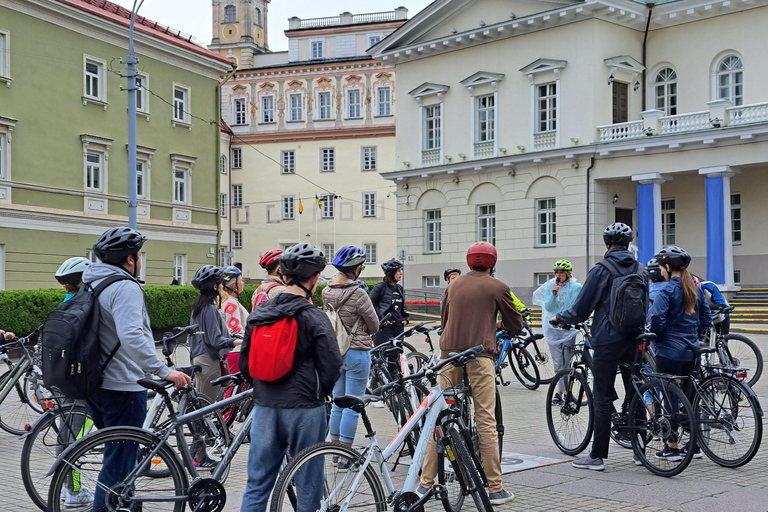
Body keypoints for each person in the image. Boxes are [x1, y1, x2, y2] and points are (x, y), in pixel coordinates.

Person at [82, 227, 191, 511]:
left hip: (95, 382)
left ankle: (126, 506)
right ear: (130, 259)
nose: (140, 258)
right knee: (118, 463)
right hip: (123, 386)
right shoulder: (125, 286)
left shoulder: (92, 283)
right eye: (139, 253)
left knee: (120, 456)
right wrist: (162, 371)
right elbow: (131, 336)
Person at [239, 243, 342, 512]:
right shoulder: (314, 317)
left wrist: (263, 387)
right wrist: (321, 392)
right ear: (315, 278)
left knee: (257, 483)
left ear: (283, 277)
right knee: (308, 483)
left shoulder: (259, 314)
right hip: (305, 408)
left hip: (265, 407)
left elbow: (244, 365)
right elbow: (332, 365)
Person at [418, 242, 521, 505]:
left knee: (438, 418)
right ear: (492, 263)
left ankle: (424, 484)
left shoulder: (453, 285)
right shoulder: (498, 287)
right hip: (479, 356)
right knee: (485, 418)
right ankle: (495, 489)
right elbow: (514, 324)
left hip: (449, 357)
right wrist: (493, 323)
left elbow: (444, 321)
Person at [551, 222, 644, 471]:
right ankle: (640, 450)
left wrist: (560, 318)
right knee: (634, 389)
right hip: (636, 339)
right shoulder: (640, 267)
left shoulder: (601, 269)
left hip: (608, 340)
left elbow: (582, 308)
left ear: (607, 245)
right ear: (628, 244)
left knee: (602, 395)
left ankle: (597, 456)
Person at [648, 246, 711, 460]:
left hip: (669, 352)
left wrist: (656, 336)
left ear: (667, 267)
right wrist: (694, 336)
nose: (660, 271)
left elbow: (657, 320)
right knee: (690, 399)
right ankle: (694, 447)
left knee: (670, 399)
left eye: (661, 267)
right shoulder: (695, 289)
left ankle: (672, 447)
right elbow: (706, 320)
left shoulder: (666, 290)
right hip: (692, 352)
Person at [322, 246, 379, 470]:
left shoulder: (326, 291)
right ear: (355, 269)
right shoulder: (358, 293)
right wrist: (364, 325)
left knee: (337, 403)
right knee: (353, 406)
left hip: (336, 353)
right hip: (357, 352)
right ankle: (346, 456)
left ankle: (334, 451)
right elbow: (374, 324)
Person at [53, 257, 94, 506]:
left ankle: (66, 487)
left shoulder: (62, 307)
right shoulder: (85, 309)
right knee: (76, 439)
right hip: (80, 382)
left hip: (59, 379)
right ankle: (74, 492)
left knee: (65, 435)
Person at [532, 259, 582, 405]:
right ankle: (561, 392)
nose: (558, 275)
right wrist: (554, 294)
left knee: (566, 362)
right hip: (552, 328)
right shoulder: (550, 286)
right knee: (557, 363)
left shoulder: (576, 287)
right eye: (556, 272)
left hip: (568, 329)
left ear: (568, 273)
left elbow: (577, 306)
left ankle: (564, 392)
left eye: (561, 272)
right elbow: (548, 307)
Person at [189, 266, 240, 403]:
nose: (222, 287)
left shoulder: (198, 307)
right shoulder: (209, 309)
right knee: (206, 406)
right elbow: (215, 340)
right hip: (208, 361)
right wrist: (240, 341)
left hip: (198, 357)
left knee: (199, 404)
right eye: (220, 284)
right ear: (215, 287)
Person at [370, 259, 409, 379]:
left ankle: (396, 392)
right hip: (384, 329)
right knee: (380, 361)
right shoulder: (380, 287)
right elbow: (370, 305)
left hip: (398, 329)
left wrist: (405, 318)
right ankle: (377, 390)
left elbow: (401, 307)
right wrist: (381, 319)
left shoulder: (399, 288)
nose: (400, 273)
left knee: (394, 361)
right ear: (391, 273)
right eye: (398, 271)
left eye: (400, 271)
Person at [220, 265, 249, 373]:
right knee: (235, 389)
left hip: (227, 351)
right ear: (234, 286)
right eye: (241, 280)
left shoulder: (223, 301)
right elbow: (235, 330)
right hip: (236, 352)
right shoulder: (231, 304)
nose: (243, 283)